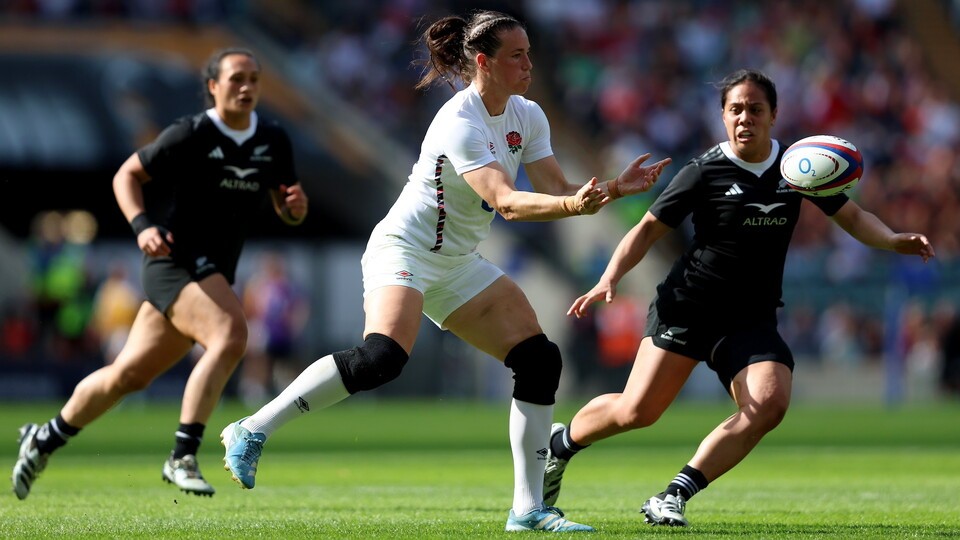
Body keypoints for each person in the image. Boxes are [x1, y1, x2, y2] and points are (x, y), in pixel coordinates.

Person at [219, 10, 669, 533]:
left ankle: (527, 510)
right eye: (517, 55)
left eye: (528, 52)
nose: (529, 64)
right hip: (404, 250)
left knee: (540, 360)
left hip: (457, 263)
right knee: (382, 358)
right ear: (484, 62)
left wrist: (610, 189)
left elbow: (556, 185)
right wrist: (575, 206)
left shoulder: (528, 114)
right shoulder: (460, 121)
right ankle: (251, 428)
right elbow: (507, 203)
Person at [542, 69, 935, 527]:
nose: (745, 118)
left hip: (749, 317)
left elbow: (852, 215)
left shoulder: (798, 168)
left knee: (770, 403)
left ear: (773, 115)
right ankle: (560, 444)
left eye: (755, 109)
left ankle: (673, 495)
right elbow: (647, 229)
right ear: (723, 117)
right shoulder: (703, 170)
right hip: (688, 306)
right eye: (735, 110)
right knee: (637, 411)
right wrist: (609, 276)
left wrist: (891, 239)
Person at [11, 47, 308, 500]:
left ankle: (45, 437)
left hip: (210, 273)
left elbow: (286, 205)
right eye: (235, 79)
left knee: (127, 376)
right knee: (230, 335)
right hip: (174, 260)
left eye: (254, 78)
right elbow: (126, 176)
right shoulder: (189, 133)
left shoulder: (273, 138)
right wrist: (141, 225)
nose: (246, 87)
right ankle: (182, 455)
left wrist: (293, 210)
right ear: (212, 86)